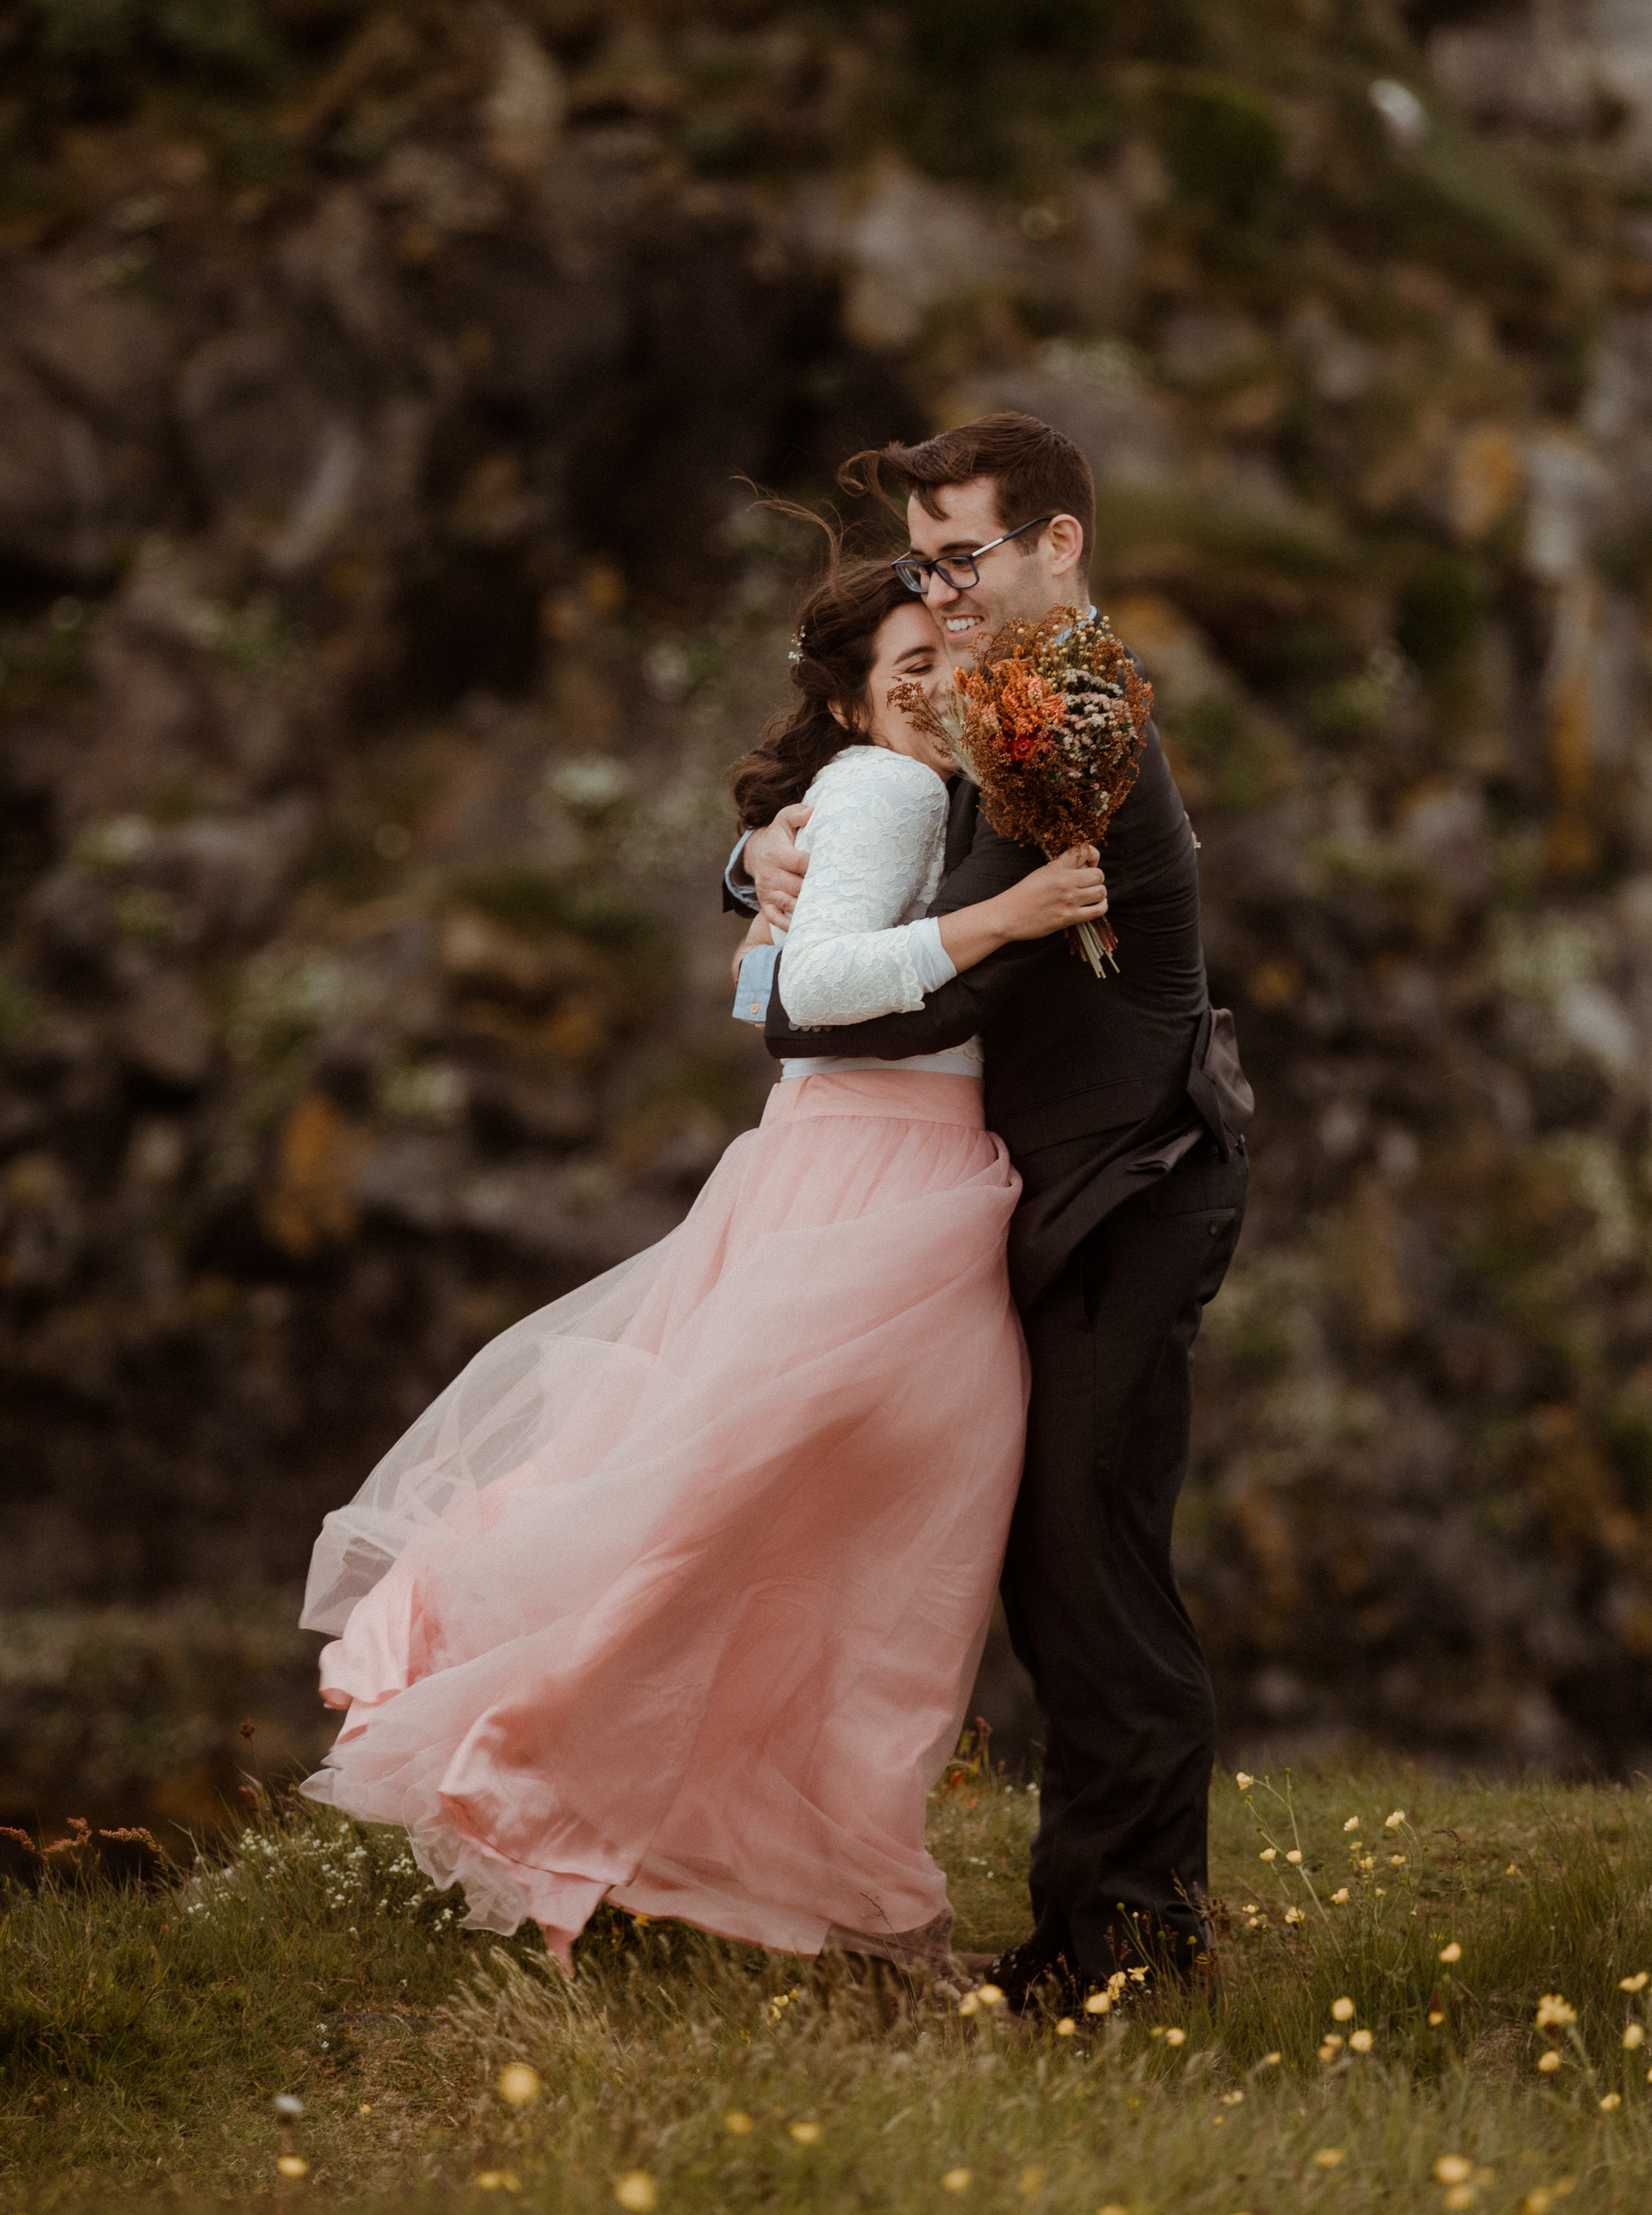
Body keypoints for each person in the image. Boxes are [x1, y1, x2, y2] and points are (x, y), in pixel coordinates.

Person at [298, 555, 1105, 1978]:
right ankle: (559, 1780)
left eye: (943, 657)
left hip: (874, 1174)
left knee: (815, 1530)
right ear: (855, 701)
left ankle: (831, 1891)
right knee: (810, 1535)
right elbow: (797, 998)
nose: (931, 684)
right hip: (873, 1180)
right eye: (901, 667)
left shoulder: (909, 788)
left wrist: (761, 874)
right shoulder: (890, 789)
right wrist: (1005, 918)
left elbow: (758, 980)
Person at [731, 411, 1253, 2009]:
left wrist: (787, 980)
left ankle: (1128, 1956)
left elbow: (893, 997)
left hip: (1123, 1195)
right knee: (1056, 1573)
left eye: (962, 558)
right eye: (922, 562)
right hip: (1056, 1196)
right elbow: (882, 807)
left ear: (1056, 549)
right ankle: (1097, 1937)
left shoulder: (1071, 720)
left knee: (1089, 1581)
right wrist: (757, 854)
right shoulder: (1010, 694)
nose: (939, 590)